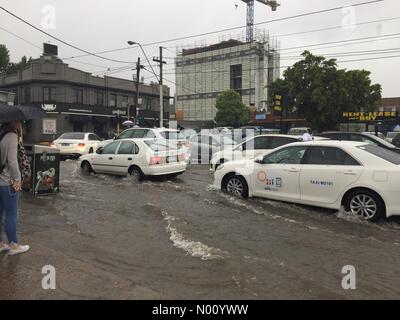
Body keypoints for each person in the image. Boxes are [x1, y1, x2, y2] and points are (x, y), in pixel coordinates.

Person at [0, 121, 30, 256]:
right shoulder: (11, 136)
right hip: (8, 182)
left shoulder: (1, 133)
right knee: (11, 215)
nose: (21, 123)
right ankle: (13, 245)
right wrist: (17, 179)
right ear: (13, 121)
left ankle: (0, 243)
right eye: (19, 120)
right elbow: (12, 161)